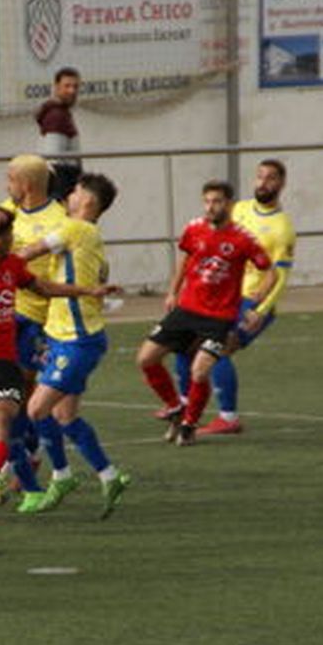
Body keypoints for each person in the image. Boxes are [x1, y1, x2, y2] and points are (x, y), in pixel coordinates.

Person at [0, 207, 115, 554]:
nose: (15, 238)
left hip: (5, 365)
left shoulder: (13, 267)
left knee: (3, 422)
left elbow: (44, 287)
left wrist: (89, 290)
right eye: (8, 232)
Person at [12, 173, 133, 518]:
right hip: (67, 337)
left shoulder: (76, 229)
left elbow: (28, 253)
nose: (70, 194)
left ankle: (62, 475)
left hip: (76, 341)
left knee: (36, 410)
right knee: (65, 414)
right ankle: (110, 475)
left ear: (89, 202)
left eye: (77, 190)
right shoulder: (90, 237)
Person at [135, 182, 276, 447]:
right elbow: (185, 260)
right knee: (146, 358)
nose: (211, 207)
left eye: (217, 202)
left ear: (230, 204)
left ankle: (189, 425)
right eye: (208, 201)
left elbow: (271, 271)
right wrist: (172, 292)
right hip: (186, 309)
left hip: (219, 318)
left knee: (199, 372)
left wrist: (257, 303)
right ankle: (175, 407)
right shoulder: (194, 228)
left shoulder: (243, 238)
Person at [175, 159, 297, 437]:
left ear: (281, 184)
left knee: (217, 350)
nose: (263, 183)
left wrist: (262, 309)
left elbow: (280, 273)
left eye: (271, 179)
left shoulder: (282, 228)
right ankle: (185, 406)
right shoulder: (238, 209)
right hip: (220, 295)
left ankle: (227, 417)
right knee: (186, 345)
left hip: (251, 301)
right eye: (260, 177)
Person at [0, 154, 71, 512]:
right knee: (8, 392)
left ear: (25, 184)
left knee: (19, 391)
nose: (6, 185)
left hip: (36, 317)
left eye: (10, 178)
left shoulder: (58, 220)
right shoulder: (5, 211)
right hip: (2, 314)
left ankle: (24, 457)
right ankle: (18, 455)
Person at [35, 67, 83, 202]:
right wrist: (61, 197)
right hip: (61, 188)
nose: (72, 91)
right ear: (56, 87)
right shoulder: (56, 117)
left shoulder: (63, 114)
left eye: (75, 86)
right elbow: (53, 159)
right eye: (67, 86)